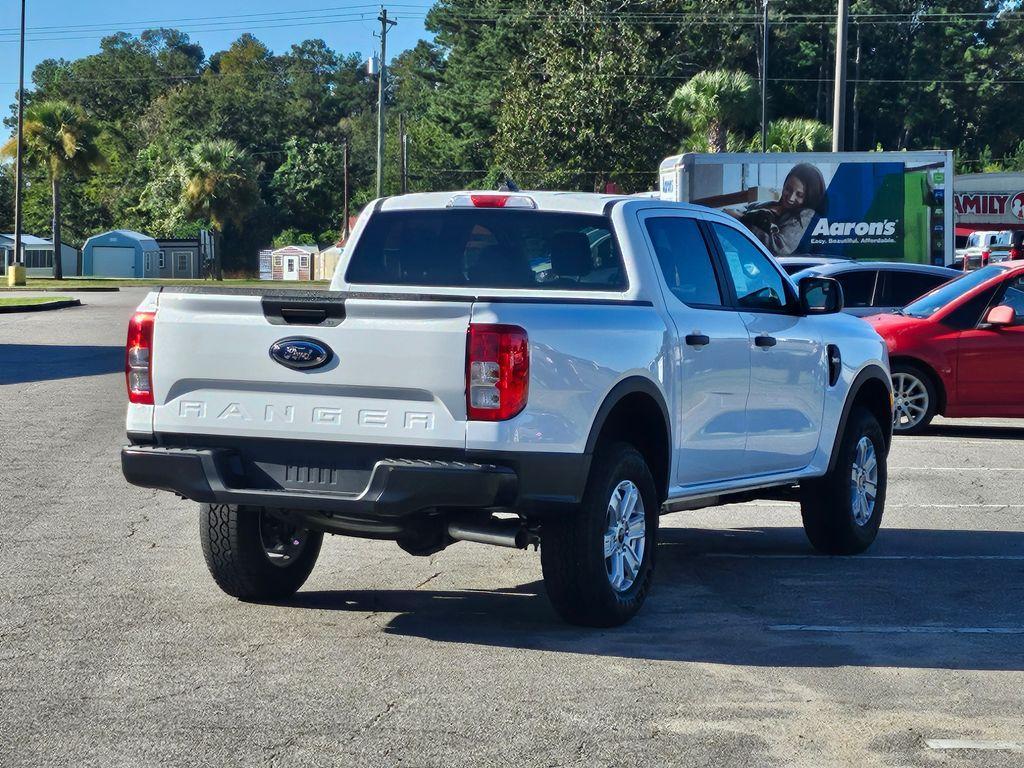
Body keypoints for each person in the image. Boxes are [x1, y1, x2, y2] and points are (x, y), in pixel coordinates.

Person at [726, 163, 828, 257]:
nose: (791, 198)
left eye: (799, 195)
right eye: (788, 189)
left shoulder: (807, 215)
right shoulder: (771, 205)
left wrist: (741, 220)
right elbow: (739, 210)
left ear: (810, 197)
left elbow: (778, 248)